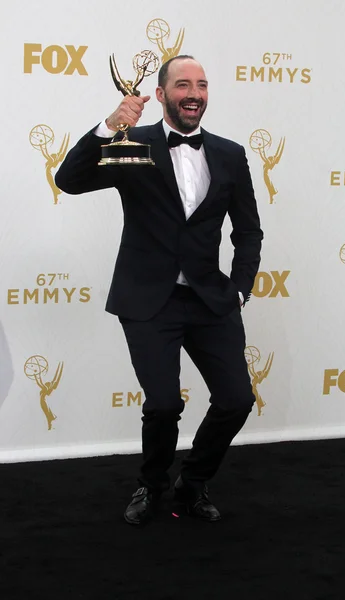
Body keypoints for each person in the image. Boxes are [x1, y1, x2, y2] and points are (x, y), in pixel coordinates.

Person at [55, 55, 263, 526]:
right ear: (163, 92)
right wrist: (109, 125)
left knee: (236, 399)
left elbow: (248, 230)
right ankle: (151, 486)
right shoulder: (134, 142)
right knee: (165, 403)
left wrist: (240, 289)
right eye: (184, 84)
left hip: (211, 299)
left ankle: (192, 484)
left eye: (203, 85)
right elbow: (68, 181)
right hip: (150, 298)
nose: (195, 93)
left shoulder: (230, 154)